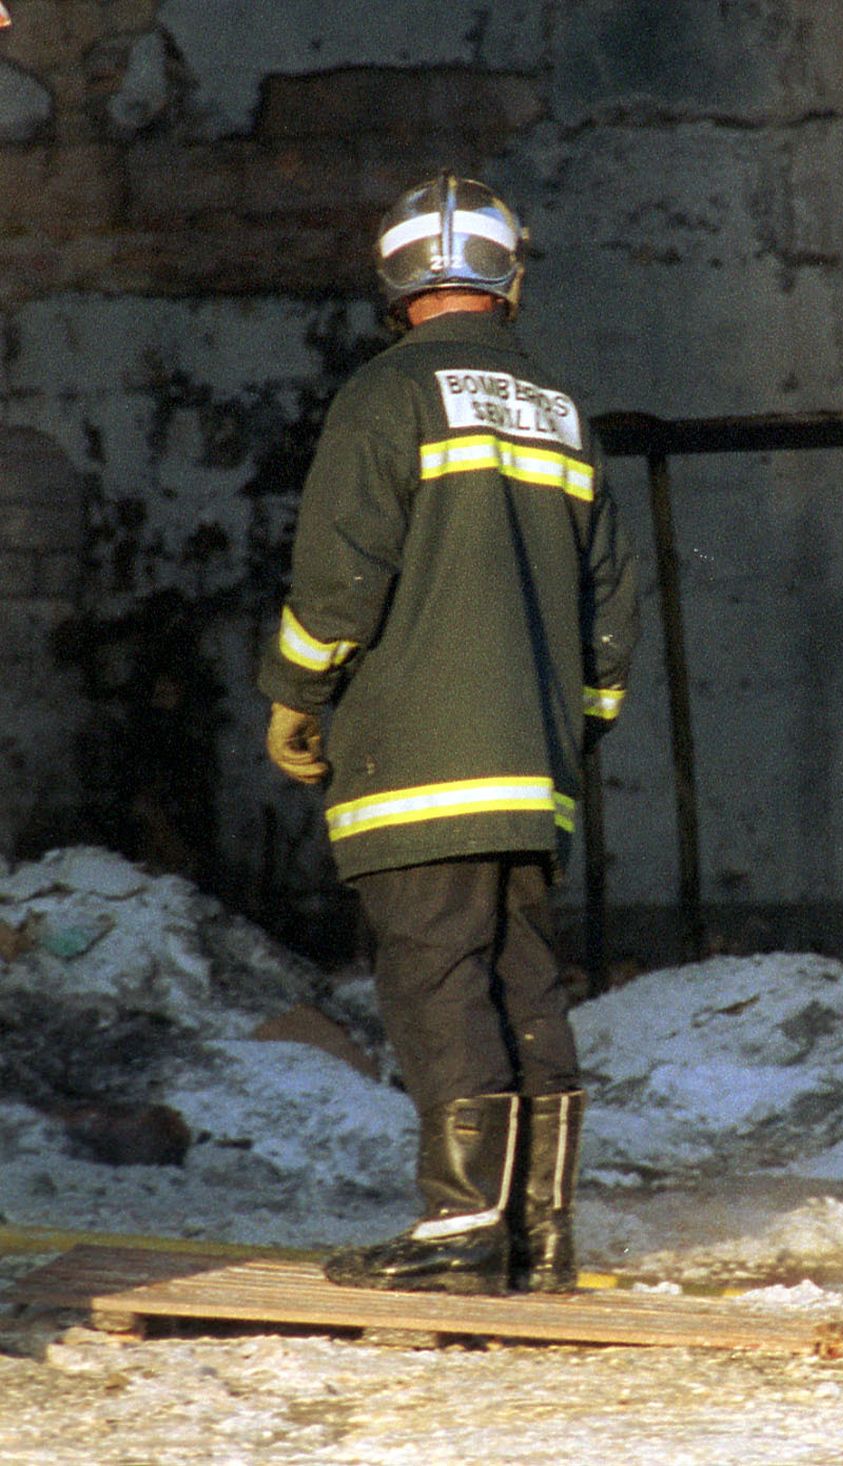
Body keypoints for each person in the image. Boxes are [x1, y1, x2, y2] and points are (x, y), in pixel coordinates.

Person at [258, 173, 638, 1296]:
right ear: (509, 273)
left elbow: (340, 573)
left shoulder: (387, 395)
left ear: (395, 282)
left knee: (436, 977)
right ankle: (540, 1232)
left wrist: (296, 692)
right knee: (525, 979)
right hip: (533, 768)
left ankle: (462, 1231)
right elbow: (610, 606)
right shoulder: (562, 407)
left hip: (415, 761)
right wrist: (573, 730)